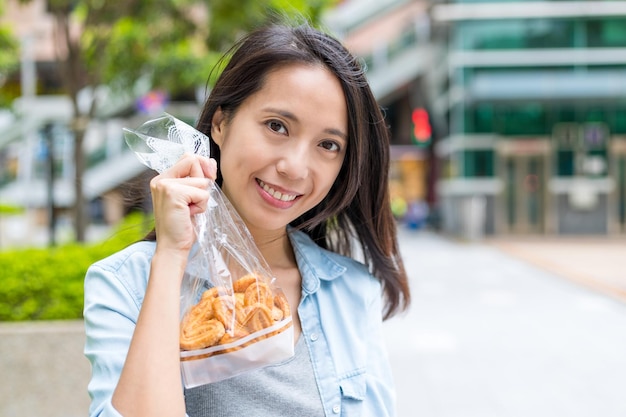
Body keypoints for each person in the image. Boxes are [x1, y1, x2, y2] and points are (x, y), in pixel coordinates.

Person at [84, 20, 410, 417]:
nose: (294, 167)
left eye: (328, 144)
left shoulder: (350, 292)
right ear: (221, 124)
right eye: (277, 126)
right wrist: (171, 256)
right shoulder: (125, 286)